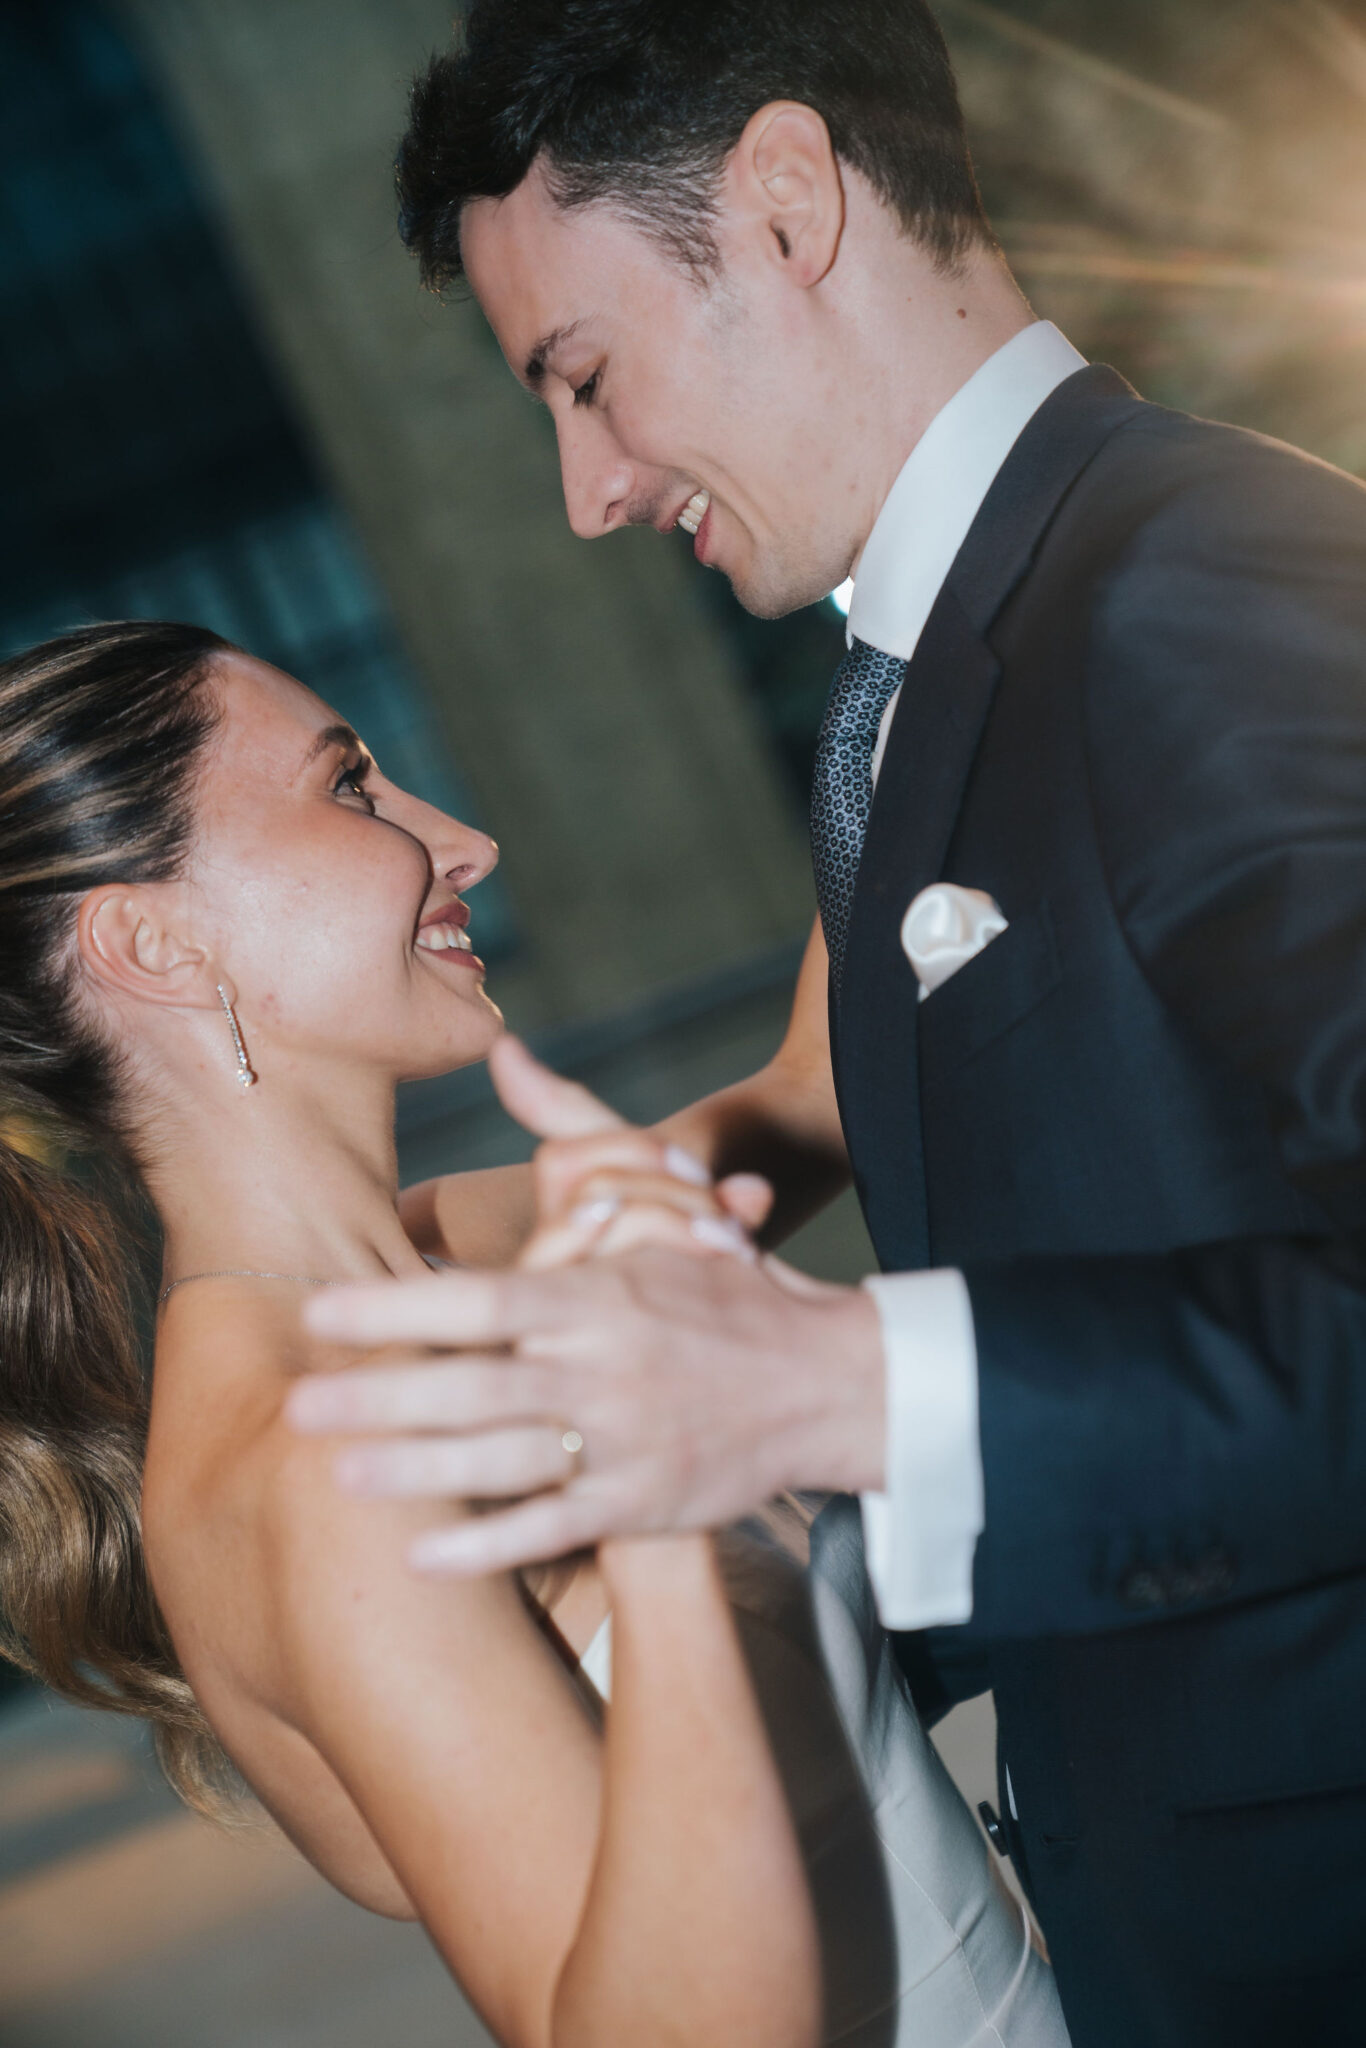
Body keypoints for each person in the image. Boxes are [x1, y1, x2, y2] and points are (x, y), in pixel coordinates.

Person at [287, 3, 1366, 2042]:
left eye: (583, 379)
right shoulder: (917, 699)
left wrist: (836, 1387)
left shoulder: (1196, 582)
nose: (587, 491)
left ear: (785, 203)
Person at [0, 620, 1068, 2047]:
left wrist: (917, 660)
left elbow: (817, 1093)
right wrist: (661, 1519)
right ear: (153, 942)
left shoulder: (466, 1250)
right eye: (351, 787)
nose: (468, 843)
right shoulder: (324, 1468)